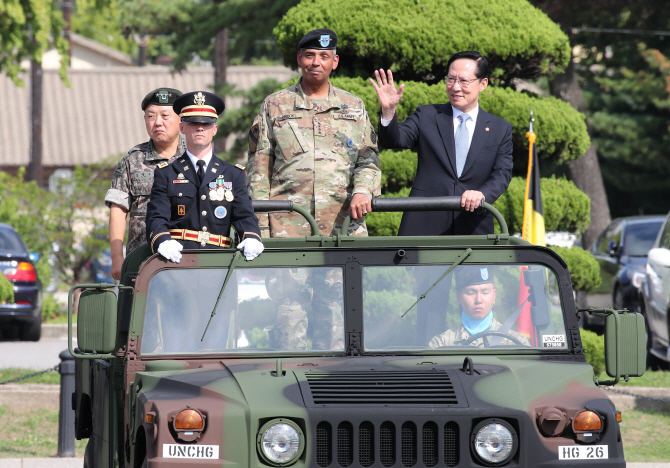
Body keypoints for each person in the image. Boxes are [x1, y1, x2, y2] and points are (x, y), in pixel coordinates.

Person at [247, 28, 381, 237]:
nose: (316, 62)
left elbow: (368, 160)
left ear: (334, 62)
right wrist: (259, 229)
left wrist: (363, 190)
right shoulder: (274, 105)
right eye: (309, 55)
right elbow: (259, 171)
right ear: (300, 59)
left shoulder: (353, 106)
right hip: (287, 228)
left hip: (343, 226)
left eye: (324, 56)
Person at [371, 51, 513, 235]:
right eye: (451, 79)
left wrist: (482, 194)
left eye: (464, 81)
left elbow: (502, 174)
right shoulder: (427, 116)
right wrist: (388, 111)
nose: (455, 87)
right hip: (424, 224)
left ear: (483, 84)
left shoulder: (499, 128)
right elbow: (394, 140)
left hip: (473, 226)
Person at [146, 91, 263, 262]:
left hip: (219, 262)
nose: (200, 128)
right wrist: (162, 241)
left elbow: (244, 216)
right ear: (182, 128)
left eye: (206, 123)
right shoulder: (166, 174)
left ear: (214, 129)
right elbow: (156, 217)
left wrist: (252, 237)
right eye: (193, 122)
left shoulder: (233, 174)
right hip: (178, 260)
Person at [105, 88, 186, 280]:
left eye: (165, 116)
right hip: (142, 261)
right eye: (151, 116)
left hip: (187, 260)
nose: (157, 122)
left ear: (181, 120)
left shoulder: (194, 157)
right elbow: (118, 210)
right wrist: (117, 258)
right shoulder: (132, 160)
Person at [428, 266, 529, 348]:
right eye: (471, 293)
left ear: (494, 296)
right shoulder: (442, 344)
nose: (478, 300)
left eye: (485, 292)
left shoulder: (516, 342)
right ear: (459, 297)